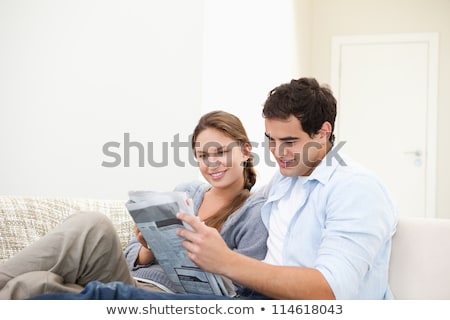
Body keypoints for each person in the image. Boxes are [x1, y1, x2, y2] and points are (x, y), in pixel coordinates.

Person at [32, 77, 398, 300]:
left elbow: (330, 291)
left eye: (289, 141)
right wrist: (148, 247)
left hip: (237, 299)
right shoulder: (284, 185)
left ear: (323, 132)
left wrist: (224, 261)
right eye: (271, 140)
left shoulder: (355, 189)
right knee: (62, 266)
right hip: (239, 297)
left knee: (89, 286)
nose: (278, 153)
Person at [0, 110, 268, 299]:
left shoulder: (253, 212)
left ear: (245, 150)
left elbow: (243, 291)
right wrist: (148, 248)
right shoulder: (186, 192)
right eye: (202, 155)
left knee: (85, 234)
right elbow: (131, 256)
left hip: (163, 300)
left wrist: (212, 259)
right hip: (126, 280)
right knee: (39, 279)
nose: (212, 164)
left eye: (220, 152)